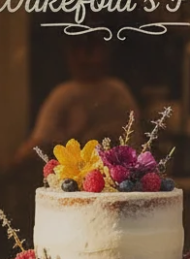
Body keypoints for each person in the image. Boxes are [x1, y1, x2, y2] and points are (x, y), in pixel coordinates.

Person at [13, 35, 138, 163]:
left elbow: (135, 137)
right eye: (77, 51)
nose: (83, 58)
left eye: (90, 51)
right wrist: (16, 162)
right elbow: (40, 140)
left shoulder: (118, 91)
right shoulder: (64, 94)